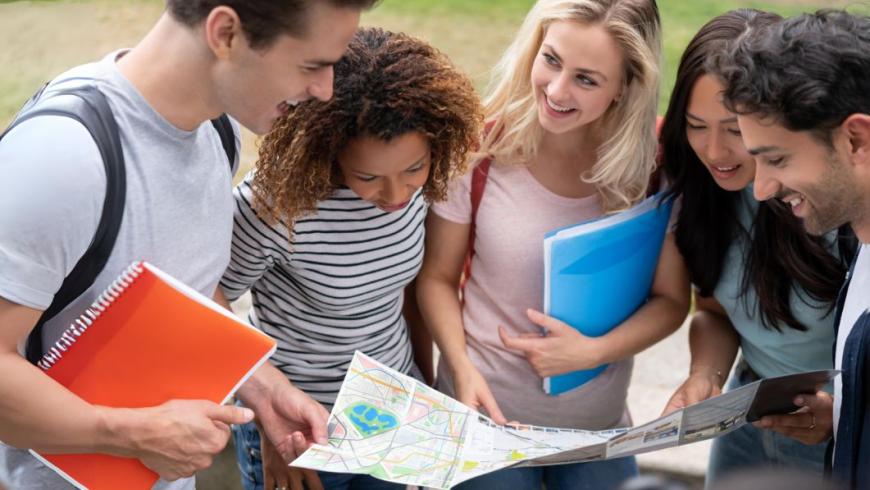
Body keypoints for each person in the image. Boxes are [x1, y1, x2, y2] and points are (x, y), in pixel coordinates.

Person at [0, 1, 376, 488]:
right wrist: (126, 434)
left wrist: (262, 385)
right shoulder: (60, 159)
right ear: (225, 33)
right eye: (311, 65)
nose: (325, 90)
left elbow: (183, 284)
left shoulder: (217, 131)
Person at [416, 0, 690, 488]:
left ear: (626, 86)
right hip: (485, 431)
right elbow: (436, 278)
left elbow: (672, 301)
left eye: (587, 79)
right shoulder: (480, 151)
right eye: (552, 60)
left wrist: (593, 352)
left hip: (598, 436)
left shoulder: (650, 171)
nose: (557, 91)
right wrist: (460, 371)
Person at [217, 27, 482, 490]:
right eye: (368, 176)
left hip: (394, 412)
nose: (396, 193)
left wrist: (424, 395)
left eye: (413, 169)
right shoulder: (274, 204)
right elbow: (207, 301)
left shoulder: (424, 185)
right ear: (329, 146)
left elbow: (404, 294)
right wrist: (266, 419)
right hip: (303, 431)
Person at [658, 10, 852, 484]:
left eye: (735, 129)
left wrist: (840, 415)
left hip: (834, 433)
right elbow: (714, 310)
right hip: (747, 414)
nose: (716, 152)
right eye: (696, 125)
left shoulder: (831, 206)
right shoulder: (700, 189)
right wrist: (706, 374)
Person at [712, 9, 870, 489]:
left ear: (857, 140)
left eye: (777, 159)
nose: (761, 189)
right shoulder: (857, 244)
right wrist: (846, 416)